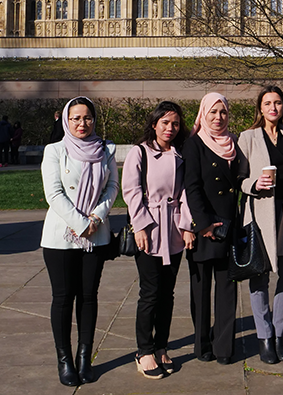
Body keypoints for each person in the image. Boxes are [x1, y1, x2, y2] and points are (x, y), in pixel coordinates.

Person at [40, 97, 119, 387]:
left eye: (87, 118)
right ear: (65, 120)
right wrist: (81, 223)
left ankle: (85, 357)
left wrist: (95, 219)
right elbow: (54, 193)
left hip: (95, 236)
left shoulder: (106, 150)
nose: (81, 124)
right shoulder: (55, 151)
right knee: (63, 298)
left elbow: (112, 187)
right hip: (61, 236)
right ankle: (65, 360)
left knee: (88, 297)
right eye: (75, 118)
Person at [121, 102, 195, 379]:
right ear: (154, 124)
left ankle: (162, 346)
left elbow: (187, 190)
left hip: (174, 229)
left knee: (168, 293)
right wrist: (139, 226)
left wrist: (187, 226)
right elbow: (131, 191)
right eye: (165, 122)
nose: (170, 128)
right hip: (150, 228)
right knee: (150, 292)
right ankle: (144, 350)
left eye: (175, 124)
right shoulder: (140, 152)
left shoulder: (180, 154)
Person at [238, 85, 283, 364]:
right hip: (260, 215)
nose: (273, 108)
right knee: (260, 277)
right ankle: (264, 337)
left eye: (278, 103)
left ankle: (278, 334)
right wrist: (254, 184)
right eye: (268, 103)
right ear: (260, 107)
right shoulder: (248, 137)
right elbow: (238, 179)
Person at [183, 93, 243, 365]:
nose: (218, 118)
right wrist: (203, 224)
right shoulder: (194, 144)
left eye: (223, 112)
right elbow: (191, 186)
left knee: (227, 287)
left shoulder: (234, 143)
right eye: (213, 112)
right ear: (203, 114)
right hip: (204, 226)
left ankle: (224, 347)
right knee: (201, 288)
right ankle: (202, 344)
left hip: (229, 224)